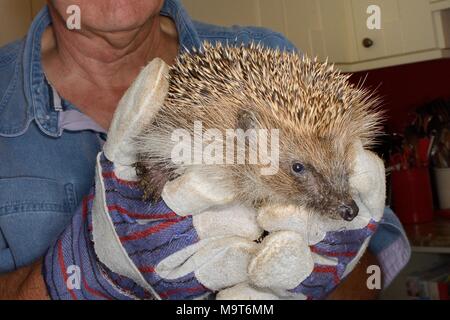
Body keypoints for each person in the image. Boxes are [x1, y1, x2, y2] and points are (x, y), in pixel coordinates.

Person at [0, 0, 410, 299]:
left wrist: (326, 273)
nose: (340, 202)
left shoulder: (270, 53)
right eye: (300, 169)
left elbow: (370, 266)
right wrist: (83, 272)